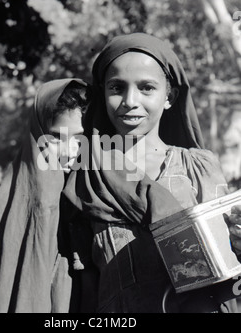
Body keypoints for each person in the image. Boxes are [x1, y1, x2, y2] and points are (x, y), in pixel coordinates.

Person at [63, 33, 241, 313]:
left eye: (146, 88)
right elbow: (82, 280)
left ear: (169, 96)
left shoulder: (196, 167)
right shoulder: (87, 173)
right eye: (116, 88)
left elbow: (228, 266)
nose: (130, 101)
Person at [0, 78, 91, 313]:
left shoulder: (92, 190)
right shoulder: (21, 194)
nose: (68, 151)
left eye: (78, 138)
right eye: (55, 138)